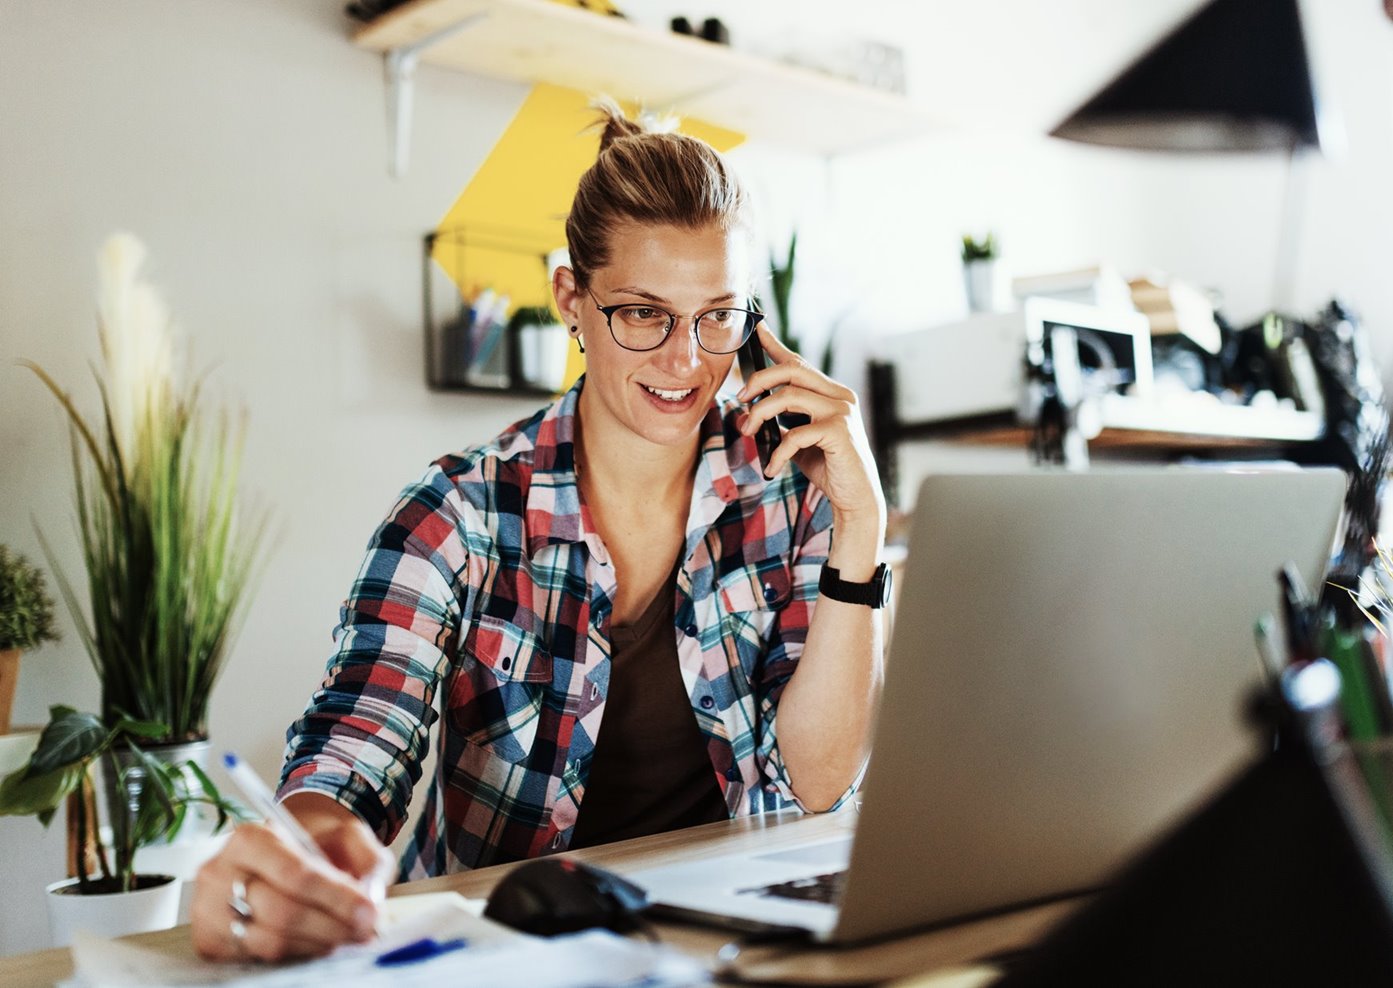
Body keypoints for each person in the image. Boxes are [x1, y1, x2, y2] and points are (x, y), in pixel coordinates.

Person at [191, 101, 887, 962]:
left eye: (718, 315)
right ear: (572, 298)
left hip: (735, 944)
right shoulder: (458, 514)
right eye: (642, 313)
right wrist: (302, 849)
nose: (686, 360)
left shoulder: (784, 497)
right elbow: (355, 742)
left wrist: (861, 527)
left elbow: (817, 788)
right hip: (518, 955)